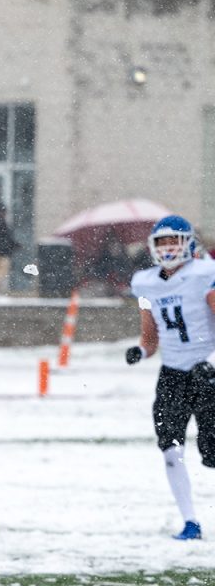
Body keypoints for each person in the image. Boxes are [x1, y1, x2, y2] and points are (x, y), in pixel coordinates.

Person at [126, 215, 215, 541]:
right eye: (161, 242)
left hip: (207, 371)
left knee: (213, 453)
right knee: (171, 448)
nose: (167, 248)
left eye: (173, 241)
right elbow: (150, 336)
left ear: (188, 243)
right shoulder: (145, 283)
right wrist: (141, 352)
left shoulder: (205, 275)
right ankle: (190, 521)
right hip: (173, 375)